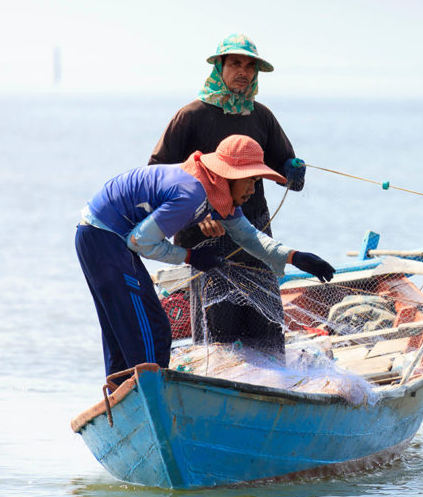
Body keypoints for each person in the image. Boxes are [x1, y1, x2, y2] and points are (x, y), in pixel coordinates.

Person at [76, 135, 335, 379]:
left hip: (101, 238)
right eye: (251, 180)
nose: (254, 190)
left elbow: (248, 236)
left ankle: (122, 394)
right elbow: (140, 241)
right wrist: (190, 256)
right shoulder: (192, 193)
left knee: (124, 328)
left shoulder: (216, 192)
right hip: (105, 237)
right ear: (231, 175)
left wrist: (295, 257)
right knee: (149, 331)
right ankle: (146, 397)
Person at [148, 33, 307, 350]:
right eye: (235, 63)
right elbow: (157, 176)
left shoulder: (261, 117)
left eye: (250, 66)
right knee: (216, 333)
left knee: (266, 331)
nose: (243, 71)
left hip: (254, 231)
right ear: (218, 67)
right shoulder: (190, 116)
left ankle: (269, 387)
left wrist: (293, 169)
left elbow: (289, 176)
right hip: (205, 233)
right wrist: (192, 221)